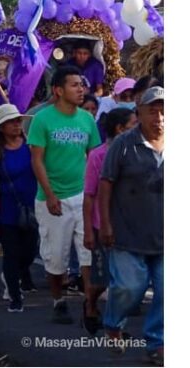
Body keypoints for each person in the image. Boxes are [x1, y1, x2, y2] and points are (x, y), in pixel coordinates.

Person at [27, 65, 101, 324]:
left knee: (88, 252)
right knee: (56, 258)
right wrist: (49, 194)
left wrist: (95, 195)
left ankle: (90, 305)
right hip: (52, 199)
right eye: (74, 85)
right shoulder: (43, 120)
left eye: (82, 85)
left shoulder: (88, 119)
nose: (81, 89)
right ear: (58, 90)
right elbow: (37, 160)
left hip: (82, 197)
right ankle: (58, 300)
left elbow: (94, 158)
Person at [99, 87, 163, 364]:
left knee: (169, 290)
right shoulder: (123, 144)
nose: (159, 117)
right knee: (130, 287)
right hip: (126, 233)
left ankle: (158, 342)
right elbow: (105, 185)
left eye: (163, 111)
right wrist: (106, 225)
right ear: (139, 114)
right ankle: (113, 323)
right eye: (152, 110)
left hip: (167, 236)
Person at [0, 105, 39, 312]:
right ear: (1, 127)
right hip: (6, 210)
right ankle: (15, 296)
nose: (16, 124)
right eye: (11, 121)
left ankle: (14, 276)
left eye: (17, 120)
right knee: (11, 254)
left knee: (30, 251)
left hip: (32, 208)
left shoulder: (32, 144)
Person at [81, 108, 137, 335]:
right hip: (101, 226)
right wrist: (88, 231)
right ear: (120, 129)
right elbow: (89, 195)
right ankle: (91, 303)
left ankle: (116, 326)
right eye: (134, 124)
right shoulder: (98, 155)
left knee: (124, 281)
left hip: (130, 228)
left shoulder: (138, 153)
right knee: (102, 280)